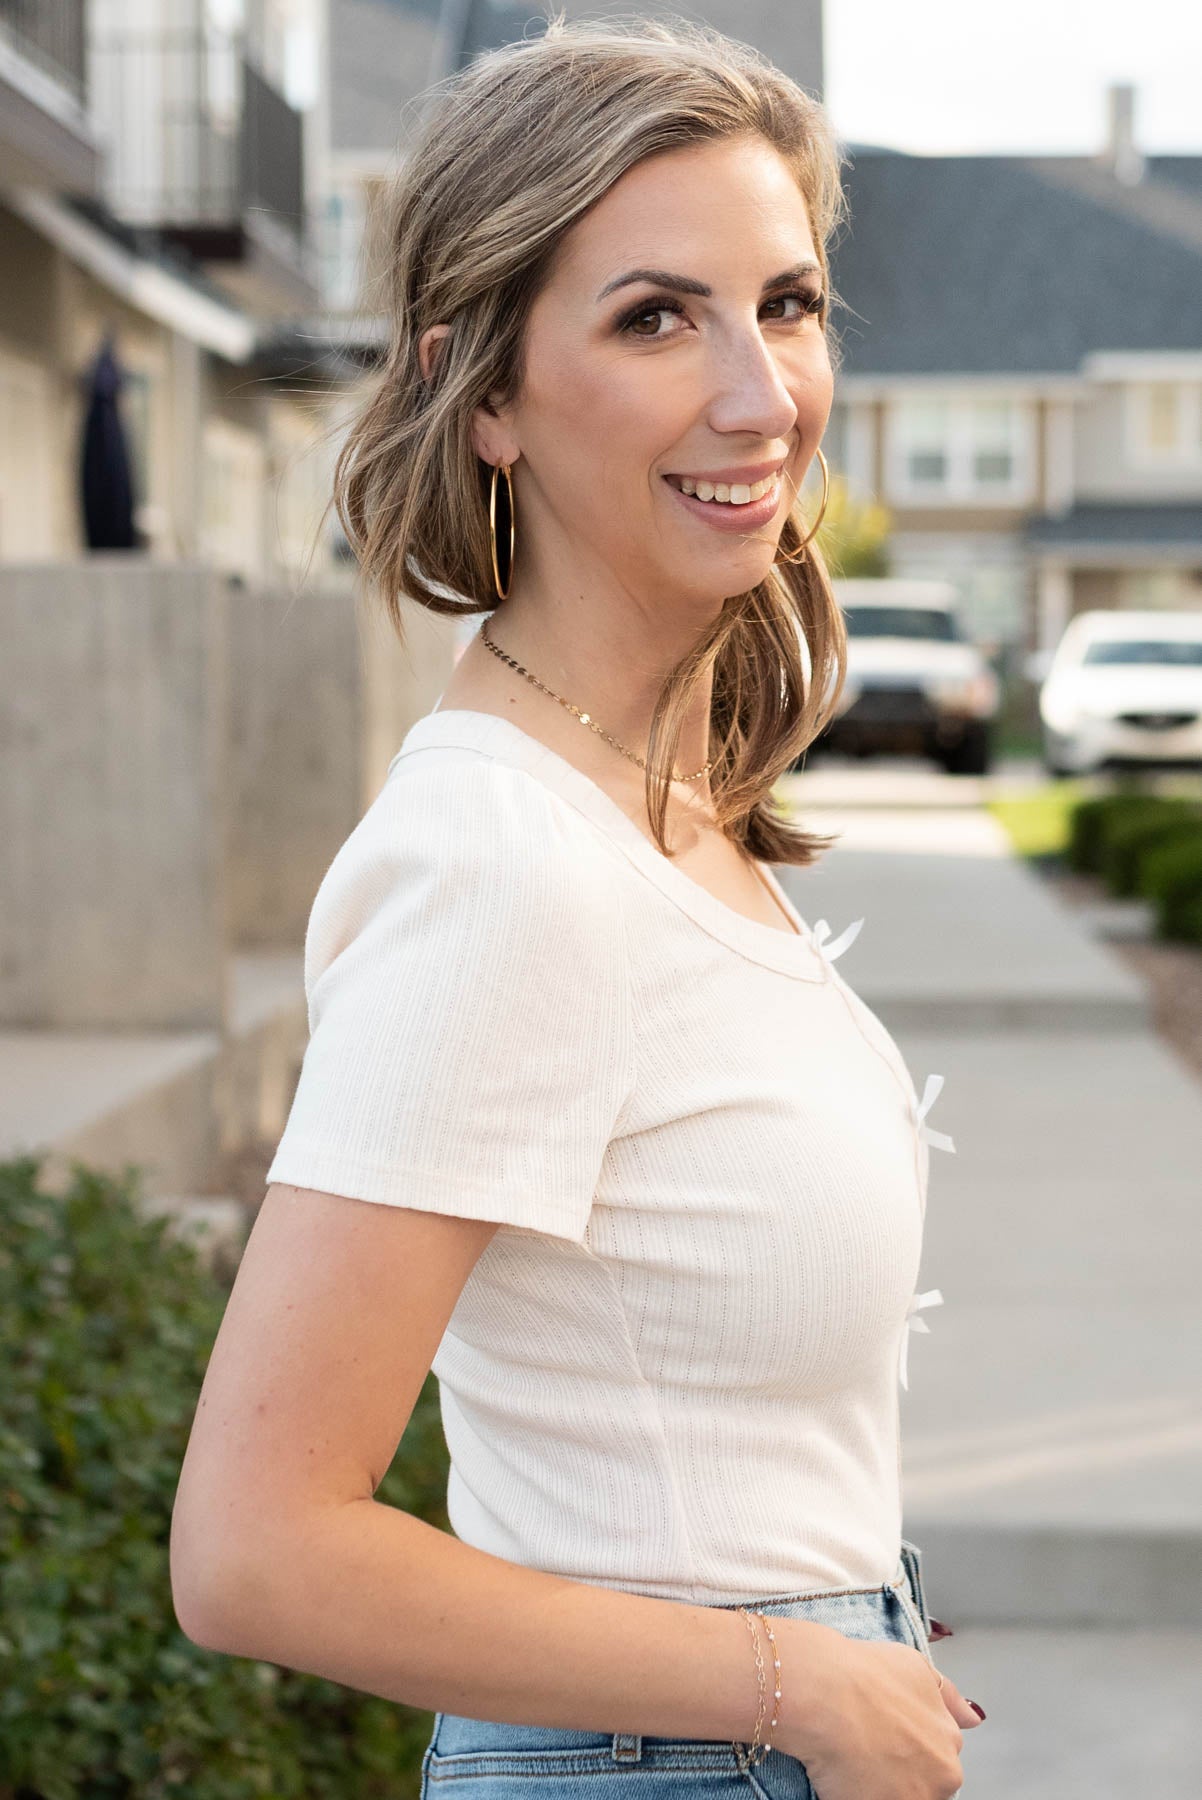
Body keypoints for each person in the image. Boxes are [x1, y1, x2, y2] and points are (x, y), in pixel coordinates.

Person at [169, 15, 985, 1799]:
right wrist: (806, 1684)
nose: (761, 394)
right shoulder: (502, 865)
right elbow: (258, 1545)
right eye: (651, 316)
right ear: (483, 395)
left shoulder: (656, 810)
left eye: (782, 303)